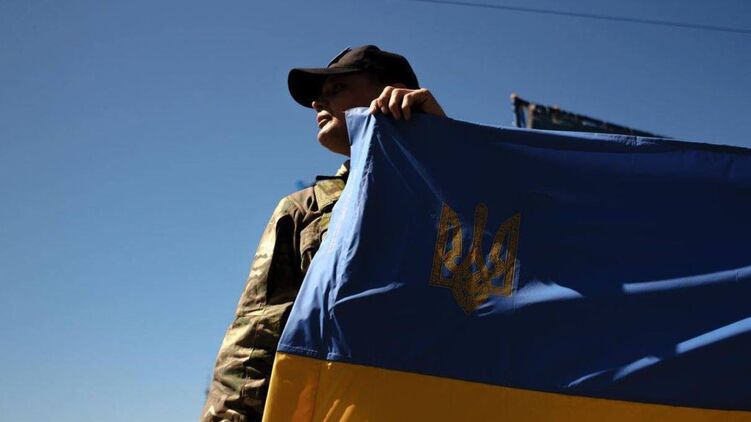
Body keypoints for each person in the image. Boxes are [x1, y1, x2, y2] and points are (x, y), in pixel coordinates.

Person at [200, 45, 445, 422]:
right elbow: (256, 337)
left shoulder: (465, 194)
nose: (317, 103)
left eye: (337, 88)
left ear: (393, 90)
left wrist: (444, 143)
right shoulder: (305, 210)